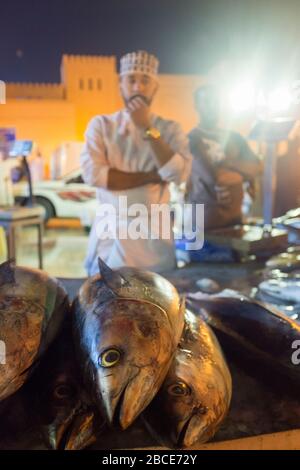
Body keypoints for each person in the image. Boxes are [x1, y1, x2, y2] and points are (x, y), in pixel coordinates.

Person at [80, 50, 192, 275]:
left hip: (153, 238)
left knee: (157, 301)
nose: (138, 87)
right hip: (111, 233)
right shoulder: (101, 125)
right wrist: (153, 175)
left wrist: (146, 128)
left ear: (155, 87)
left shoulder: (170, 129)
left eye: (145, 80)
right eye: (131, 80)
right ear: (120, 84)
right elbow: (97, 176)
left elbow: (177, 173)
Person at [188, 84, 262, 230]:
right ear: (197, 105)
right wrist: (240, 172)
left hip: (235, 222)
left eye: (216, 101)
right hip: (203, 227)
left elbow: (258, 168)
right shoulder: (191, 140)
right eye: (207, 101)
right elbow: (214, 177)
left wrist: (229, 164)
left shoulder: (235, 138)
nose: (212, 106)